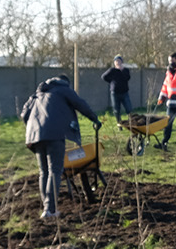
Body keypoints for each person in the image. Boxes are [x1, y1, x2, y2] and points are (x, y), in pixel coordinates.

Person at [20, 73, 100, 219]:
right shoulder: (63, 88)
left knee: (43, 172)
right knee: (54, 171)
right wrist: (94, 118)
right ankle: (49, 210)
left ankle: (46, 208)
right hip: (54, 133)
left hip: (34, 135)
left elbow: (24, 114)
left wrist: (33, 128)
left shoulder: (37, 94)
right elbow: (80, 104)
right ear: (65, 83)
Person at [102, 54, 133, 125]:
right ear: (114, 63)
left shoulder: (125, 70)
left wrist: (122, 71)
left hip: (124, 93)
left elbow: (128, 78)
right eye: (116, 61)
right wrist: (111, 81)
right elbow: (103, 77)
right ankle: (119, 124)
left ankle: (131, 123)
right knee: (116, 110)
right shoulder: (112, 70)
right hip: (115, 93)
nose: (117, 62)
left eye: (119, 61)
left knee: (129, 109)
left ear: (121, 62)